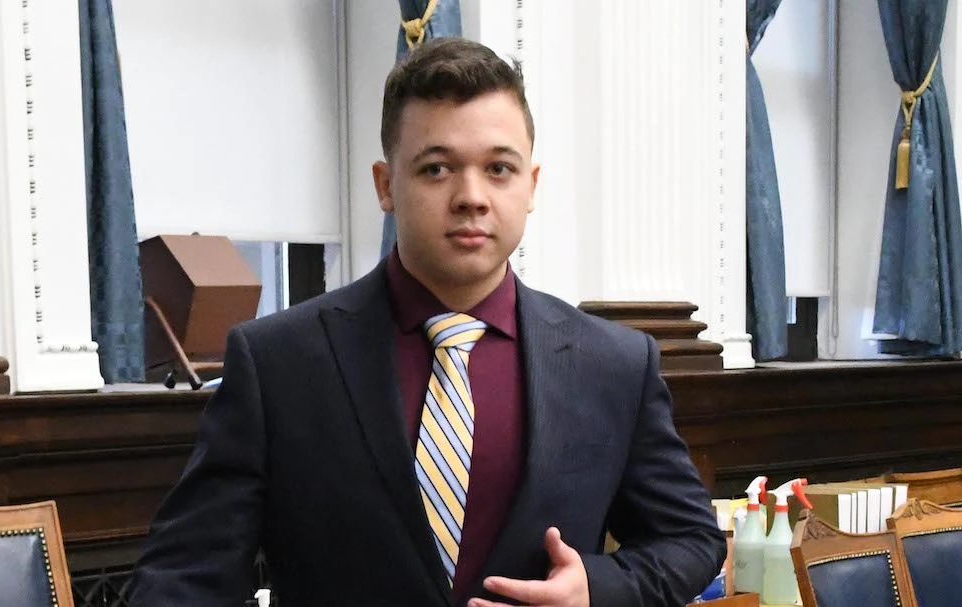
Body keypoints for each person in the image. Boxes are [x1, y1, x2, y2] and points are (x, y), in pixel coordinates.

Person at [130, 37, 725, 607]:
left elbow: (691, 540)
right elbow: (186, 575)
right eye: (437, 169)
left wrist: (598, 588)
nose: (471, 195)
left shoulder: (615, 365)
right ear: (386, 185)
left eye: (499, 169)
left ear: (531, 185)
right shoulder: (279, 362)